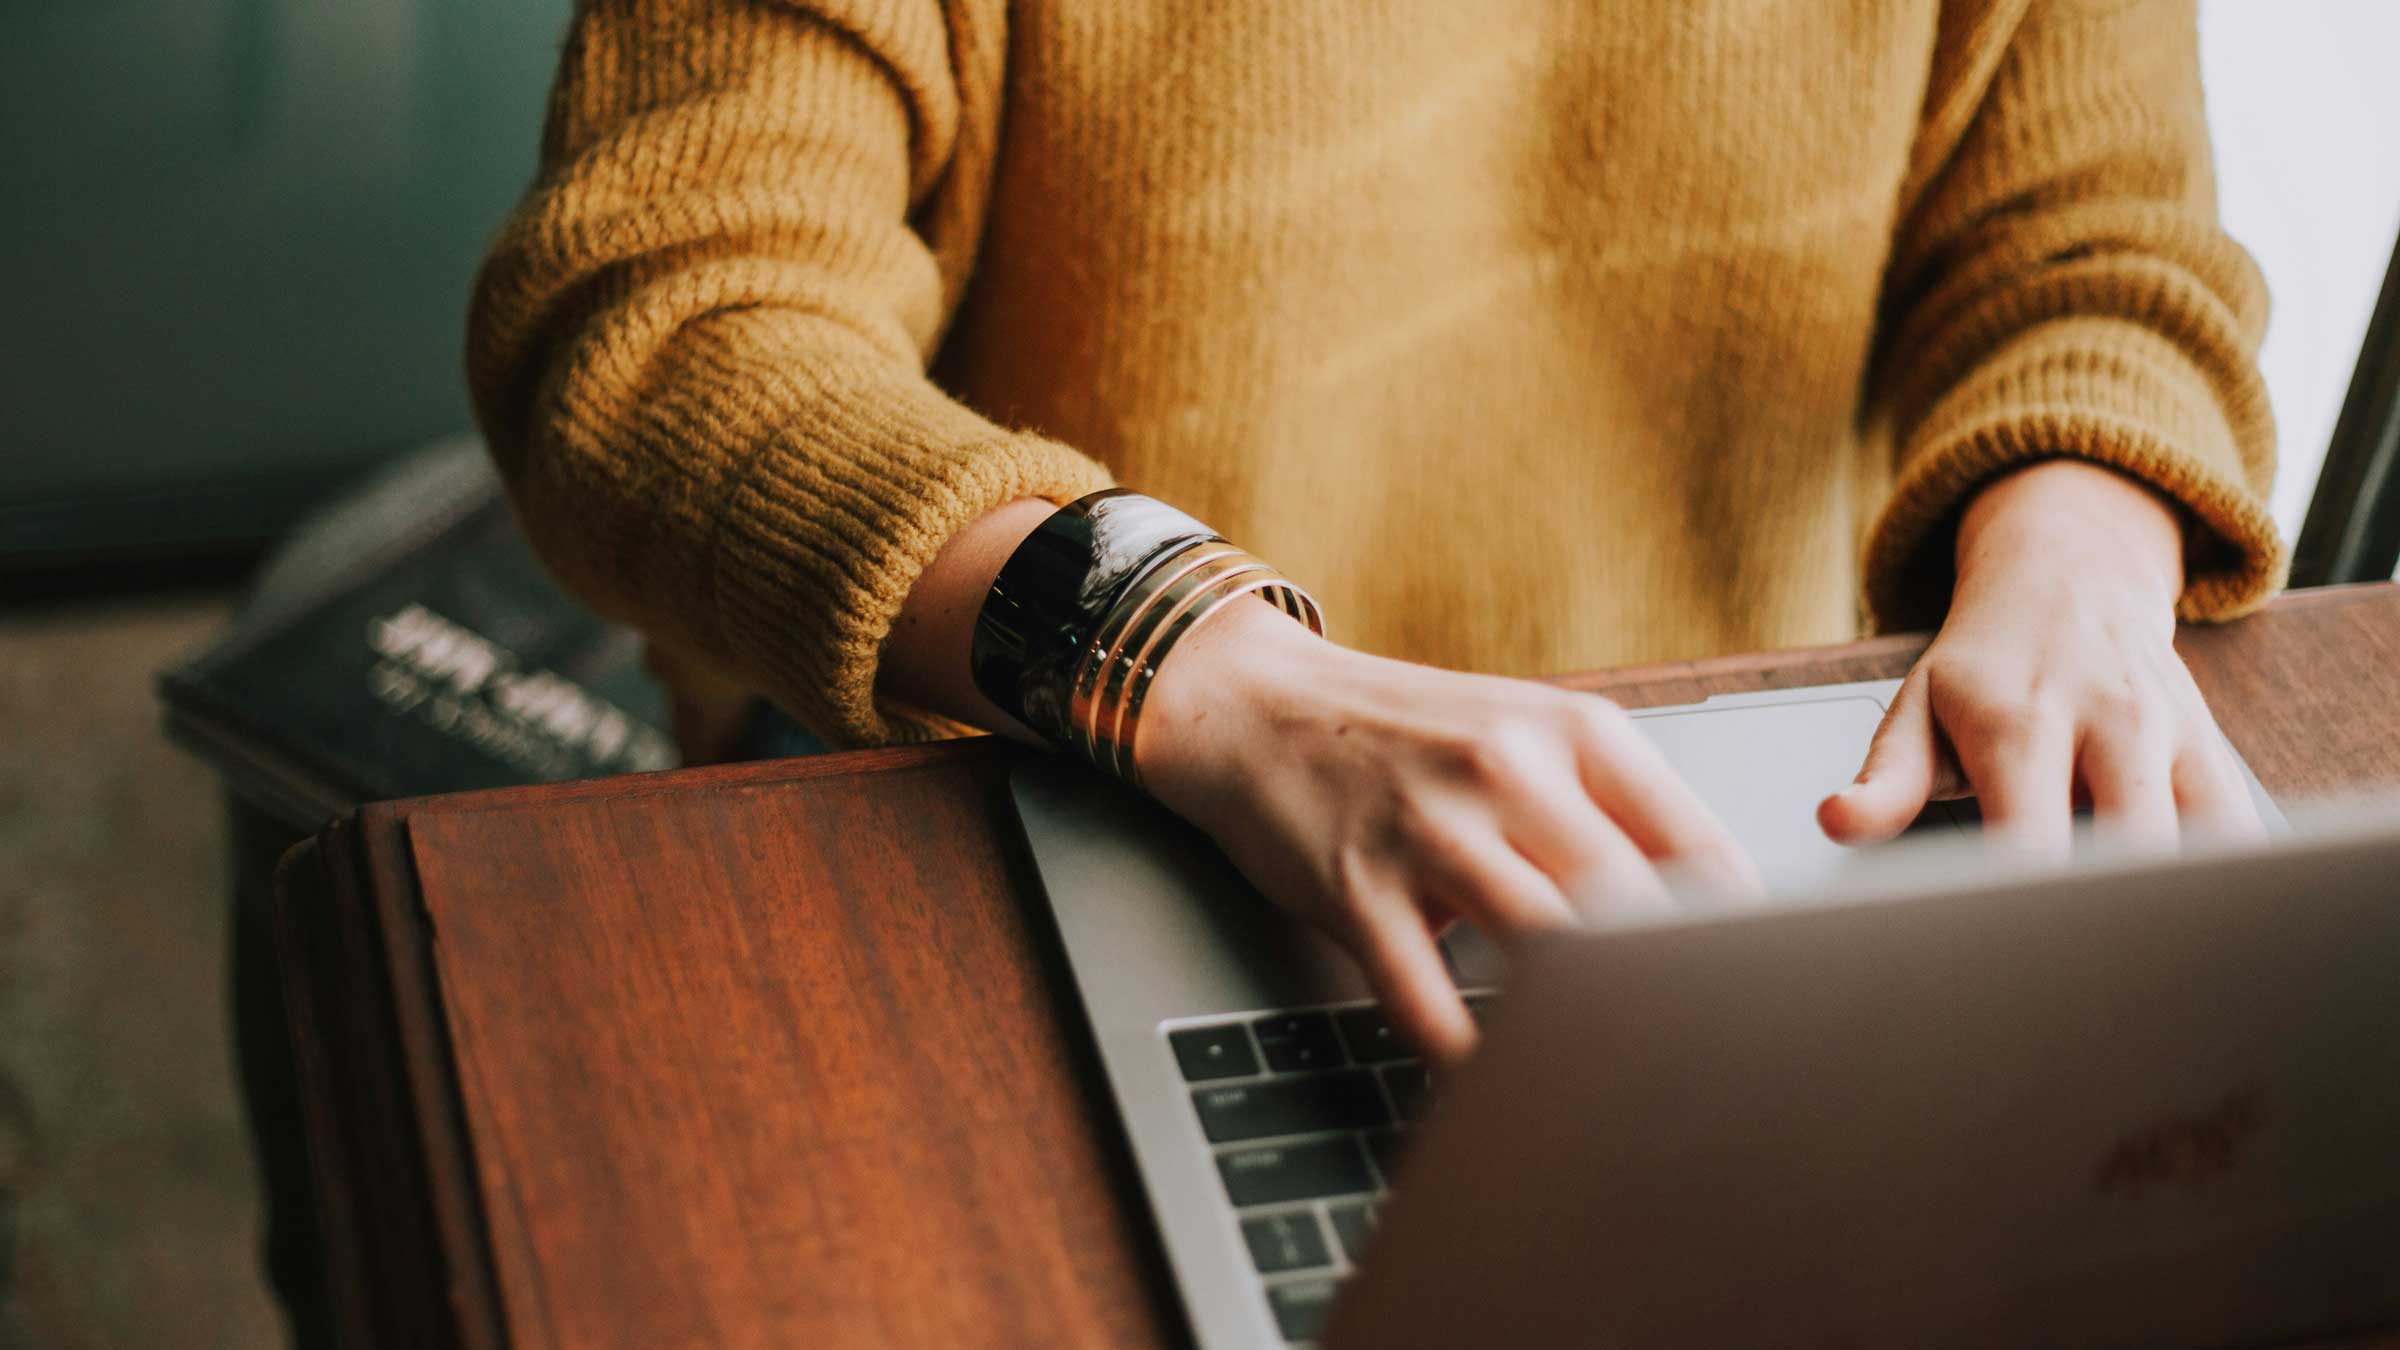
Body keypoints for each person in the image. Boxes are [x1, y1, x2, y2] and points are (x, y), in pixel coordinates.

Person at [468, 0, 2280, 1063]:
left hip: (1714, 842)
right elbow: (663, 316)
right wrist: (1195, 658)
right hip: (1038, 782)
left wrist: (2082, 553)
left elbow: (2096, 251)